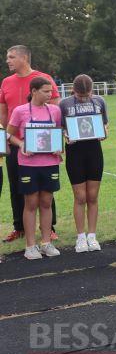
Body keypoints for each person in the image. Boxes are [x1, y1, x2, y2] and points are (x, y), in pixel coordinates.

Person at [0, 45, 59, 243]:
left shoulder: (44, 79)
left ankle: (48, 229)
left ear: (24, 58)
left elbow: (55, 109)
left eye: (11, 57)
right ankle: (19, 227)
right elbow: (3, 114)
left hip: (42, 144)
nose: (7, 60)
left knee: (45, 189)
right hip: (15, 142)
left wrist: (52, 141)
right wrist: (4, 141)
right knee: (17, 186)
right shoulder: (6, 82)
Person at [6, 76, 63, 259]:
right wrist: (21, 145)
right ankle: (30, 246)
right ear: (34, 92)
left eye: (50, 91)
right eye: (46, 91)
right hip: (28, 165)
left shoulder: (54, 111)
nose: (50, 94)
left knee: (46, 202)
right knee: (30, 204)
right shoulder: (20, 111)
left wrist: (58, 146)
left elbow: (57, 132)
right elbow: (9, 135)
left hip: (50, 163)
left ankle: (46, 243)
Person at [59, 74, 108, 252]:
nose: (84, 99)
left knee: (93, 197)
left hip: (94, 151)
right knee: (80, 197)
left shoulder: (99, 101)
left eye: (87, 96)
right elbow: (60, 128)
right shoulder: (64, 104)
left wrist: (103, 132)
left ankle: (92, 236)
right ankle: (80, 237)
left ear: (92, 91)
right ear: (73, 91)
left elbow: (105, 125)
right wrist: (65, 136)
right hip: (75, 152)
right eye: (80, 97)